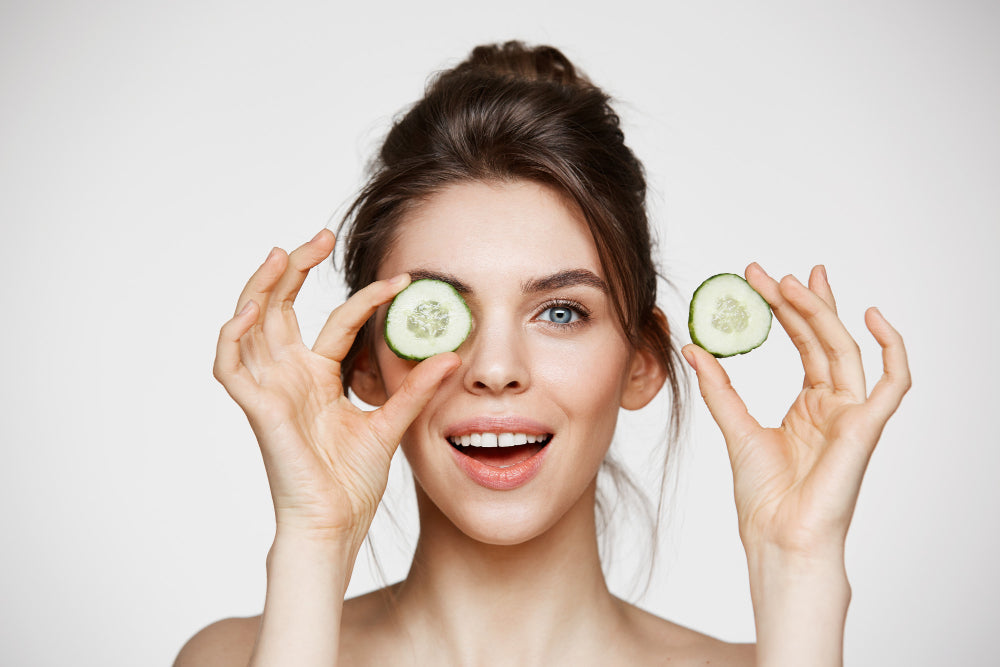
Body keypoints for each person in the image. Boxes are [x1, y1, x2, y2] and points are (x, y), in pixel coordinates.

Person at [174, 41, 910, 666]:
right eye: (440, 314)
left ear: (642, 360)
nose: (497, 368)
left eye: (561, 311)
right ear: (365, 361)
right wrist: (313, 537)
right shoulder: (236, 656)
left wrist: (799, 565)